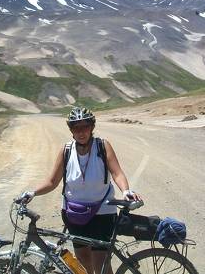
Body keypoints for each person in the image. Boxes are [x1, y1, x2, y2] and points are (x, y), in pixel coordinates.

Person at [18, 107, 142, 274]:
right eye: (77, 128)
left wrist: (126, 190)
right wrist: (32, 192)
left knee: (100, 262)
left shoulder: (102, 146)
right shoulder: (66, 150)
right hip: (74, 213)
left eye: (85, 127)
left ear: (91, 127)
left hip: (102, 213)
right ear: (71, 130)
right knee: (82, 260)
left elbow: (117, 172)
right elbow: (52, 181)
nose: (81, 132)